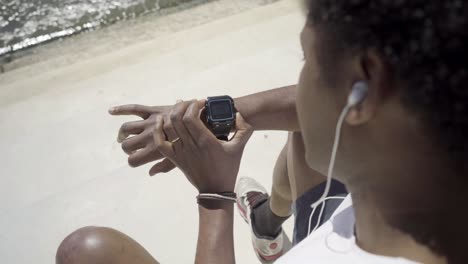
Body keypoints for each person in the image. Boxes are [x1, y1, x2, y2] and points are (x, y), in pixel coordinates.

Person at [56, 0, 468, 263]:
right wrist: (220, 113)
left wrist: (214, 196)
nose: (301, 78)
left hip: (329, 240)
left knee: (87, 252)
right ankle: (268, 222)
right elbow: (305, 106)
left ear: (364, 87)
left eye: (308, 60)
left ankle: (264, 222)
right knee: (307, 129)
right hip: (354, 221)